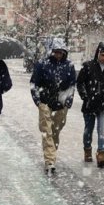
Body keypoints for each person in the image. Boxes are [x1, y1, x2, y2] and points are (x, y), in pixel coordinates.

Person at [30, 38, 77, 175]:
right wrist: (38, 101)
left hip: (61, 105)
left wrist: (68, 101)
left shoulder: (69, 66)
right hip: (45, 102)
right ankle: (50, 160)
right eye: (56, 52)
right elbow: (34, 83)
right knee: (47, 131)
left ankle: (52, 154)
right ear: (51, 52)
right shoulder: (42, 65)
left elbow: (71, 85)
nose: (58, 55)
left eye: (60, 52)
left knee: (55, 132)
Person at [76, 41, 104, 168]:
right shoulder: (88, 67)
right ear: (98, 54)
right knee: (88, 129)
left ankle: (101, 154)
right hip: (89, 104)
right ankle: (87, 149)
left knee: (102, 130)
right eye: (102, 55)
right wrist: (85, 97)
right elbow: (80, 83)